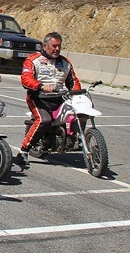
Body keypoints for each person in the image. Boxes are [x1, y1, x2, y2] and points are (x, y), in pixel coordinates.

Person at [17, 32, 82, 166]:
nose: (57, 49)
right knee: (44, 120)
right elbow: (25, 79)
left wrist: (77, 92)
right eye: (54, 46)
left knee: (79, 113)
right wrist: (40, 86)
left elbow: (73, 81)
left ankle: (75, 138)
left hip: (59, 98)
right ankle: (23, 151)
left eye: (59, 46)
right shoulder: (33, 60)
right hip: (38, 98)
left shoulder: (65, 63)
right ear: (45, 45)